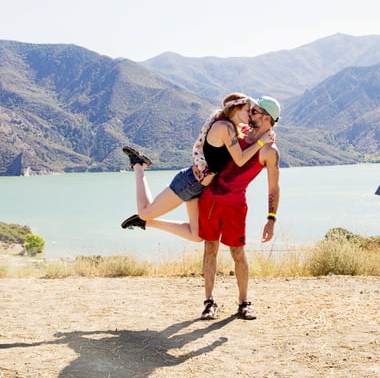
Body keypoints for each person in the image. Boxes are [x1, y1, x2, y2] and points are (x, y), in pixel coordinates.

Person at [120, 93, 274, 242]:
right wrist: (261, 141)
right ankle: (139, 165)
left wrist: (268, 133)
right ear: (237, 109)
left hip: (199, 187)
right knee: (145, 212)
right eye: (248, 110)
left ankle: (146, 223)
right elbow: (240, 159)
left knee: (196, 236)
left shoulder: (232, 128)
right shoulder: (224, 127)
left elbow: (255, 132)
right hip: (189, 182)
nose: (250, 115)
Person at [198, 96, 281, 321]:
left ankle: (244, 302)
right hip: (210, 198)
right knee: (210, 248)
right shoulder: (238, 131)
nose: (249, 114)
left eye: (253, 112)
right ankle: (209, 302)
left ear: (265, 118)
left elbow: (273, 187)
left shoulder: (270, 151)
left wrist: (271, 219)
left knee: (237, 252)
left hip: (235, 205)